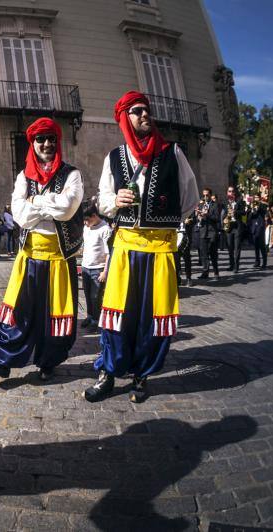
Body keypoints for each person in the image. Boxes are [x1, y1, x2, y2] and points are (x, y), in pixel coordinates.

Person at [85, 91, 199, 403]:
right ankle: (107, 373)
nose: (144, 115)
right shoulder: (115, 157)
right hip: (125, 249)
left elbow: (190, 199)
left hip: (159, 251)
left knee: (153, 317)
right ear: (125, 118)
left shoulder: (172, 152)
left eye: (146, 110)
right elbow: (102, 198)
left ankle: (142, 375)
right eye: (137, 111)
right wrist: (113, 202)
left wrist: (164, 219)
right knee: (115, 315)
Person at [0, 118, 83, 379]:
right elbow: (21, 217)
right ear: (32, 144)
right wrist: (48, 206)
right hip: (30, 256)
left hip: (60, 256)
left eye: (51, 139)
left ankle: (49, 362)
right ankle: (3, 360)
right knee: (18, 312)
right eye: (40, 139)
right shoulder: (24, 176)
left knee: (55, 314)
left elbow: (68, 209)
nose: (46, 143)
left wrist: (34, 202)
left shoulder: (72, 174)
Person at [81, 203, 111, 330]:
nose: (86, 223)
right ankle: (89, 316)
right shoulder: (87, 227)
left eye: (87, 220)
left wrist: (105, 272)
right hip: (85, 266)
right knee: (88, 295)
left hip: (98, 269)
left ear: (94, 216)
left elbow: (109, 254)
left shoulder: (105, 229)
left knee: (96, 297)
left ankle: (96, 320)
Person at [194, 189, 220, 281]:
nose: (205, 197)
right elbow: (198, 219)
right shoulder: (201, 205)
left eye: (207, 195)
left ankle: (216, 272)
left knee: (213, 254)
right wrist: (197, 215)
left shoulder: (215, 205)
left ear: (210, 195)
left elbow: (217, 218)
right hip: (203, 232)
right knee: (204, 254)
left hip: (212, 232)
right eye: (204, 195)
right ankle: (205, 272)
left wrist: (207, 215)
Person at [222, 186, 247, 273]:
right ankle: (231, 264)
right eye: (229, 191)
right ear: (227, 193)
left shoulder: (240, 202)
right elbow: (224, 213)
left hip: (237, 227)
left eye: (232, 191)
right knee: (230, 247)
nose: (231, 193)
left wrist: (235, 212)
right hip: (229, 227)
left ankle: (236, 266)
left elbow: (244, 213)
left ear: (234, 193)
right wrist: (225, 219)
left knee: (237, 248)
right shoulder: (225, 203)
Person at [248, 194, 268, 269]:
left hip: (260, 227)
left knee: (262, 245)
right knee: (256, 246)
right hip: (254, 227)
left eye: (257, 198)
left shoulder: (262, 205)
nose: (256, 199)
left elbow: (263, 212)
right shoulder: (251, 206)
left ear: (259, 198)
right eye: (255, 198)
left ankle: (264, 262)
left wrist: (258, 206)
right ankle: (257, 261)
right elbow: (249, 216)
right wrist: (252, 210)